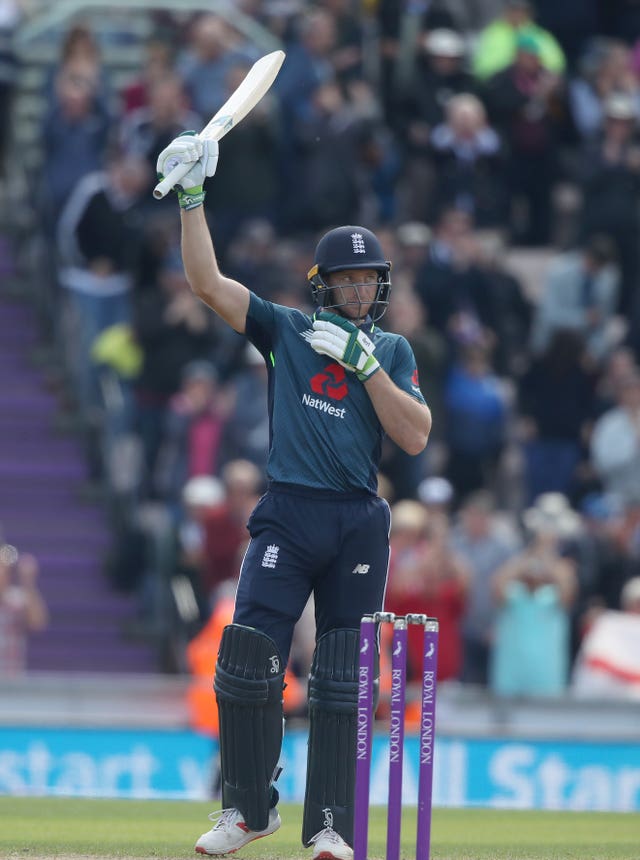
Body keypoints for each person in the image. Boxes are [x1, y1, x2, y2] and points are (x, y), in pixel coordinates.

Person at [155, 132, 431, 859]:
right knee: (247, 658)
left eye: (370, 280)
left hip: (356, 518)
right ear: (323, 284)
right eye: (348, 281)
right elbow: (208, 284)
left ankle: (330, 824)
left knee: (342, 676)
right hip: (290, 507)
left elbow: (415, 437)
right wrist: (191, 198)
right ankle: (248, 810)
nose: (361, 291)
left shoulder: (393, 351)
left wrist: (370, 366)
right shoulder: (288, 330)